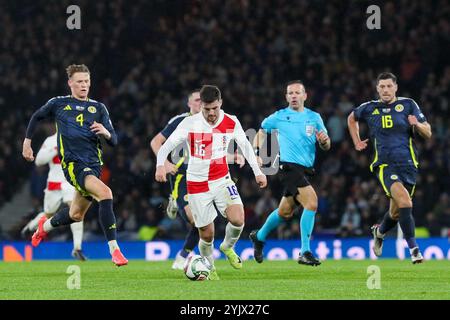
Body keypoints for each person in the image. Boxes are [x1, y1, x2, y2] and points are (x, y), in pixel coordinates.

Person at [155, 85, 267, 280]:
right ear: (202, 107)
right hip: (197, 184)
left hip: (221, 180)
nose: (211, 113)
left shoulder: (231, 122)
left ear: (220, 103)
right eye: (207, 109)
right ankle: (210, 268)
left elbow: (246, 147)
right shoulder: (190, 123)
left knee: (239, 219)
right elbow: (167, 146)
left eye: (214, 108)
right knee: (206, 234)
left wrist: (258, 172)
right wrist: (160, 165)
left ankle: (227, 246)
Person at [22, 64, 128, 266]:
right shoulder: (59, 104)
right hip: (73, 165)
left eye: (87, 81)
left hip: (93, 166)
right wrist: (27, 142)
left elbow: (114, 140)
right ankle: (115, 250)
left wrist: (105, 132)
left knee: (76, 215)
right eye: (79, 81)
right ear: (70, 83)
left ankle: (44, 228)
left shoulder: (98, 108)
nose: (84, 85)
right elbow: (36, 116)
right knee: (106, 193)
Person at [347, 72, 432, 264]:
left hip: (409, 165)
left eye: (389, 86)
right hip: (385, 165)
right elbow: (351, 118)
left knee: (396, 212)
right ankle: (414, 250)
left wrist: (417, 124)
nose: (385, 90)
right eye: (382, 86)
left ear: (395, 87)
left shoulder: (409, 104)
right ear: (377, 88)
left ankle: (379, 231)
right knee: (406, 202)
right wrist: (357, 141)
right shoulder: (369, 108)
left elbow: (428, 132)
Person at [249, 80, 331, 266]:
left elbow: (326, 145)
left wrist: (324, 141)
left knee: (285, 212)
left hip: (306, 170)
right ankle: (305, 251)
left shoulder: (314, 117)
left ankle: (259, 236)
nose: (293, 96)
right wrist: (257, 153)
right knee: (311, 203)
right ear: (286, 97)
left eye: (297, 93)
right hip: (287, 167)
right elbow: (262, 132)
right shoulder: (278, 116)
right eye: (290, 93)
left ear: (305, 96)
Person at [150, 89, 202, 270]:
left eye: (202, 100)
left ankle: (184, 255)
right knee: (196, 220)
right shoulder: (180, 121)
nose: (200, 103)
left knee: (205, 222)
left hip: (206, 177)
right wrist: (164, 163)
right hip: (183, 177)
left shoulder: (212, 121)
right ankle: (186, 257)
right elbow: (156, 142)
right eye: (196, 100)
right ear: (189, 104)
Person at [21, 131, 87, 261]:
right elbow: (39, 161)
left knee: (76, 211)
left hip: (70, 182)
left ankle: (77, 248)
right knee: (48, 214)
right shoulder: (51, 140)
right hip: (54, 184)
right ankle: (30, 227)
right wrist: (56, 149)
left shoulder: (77, 137)